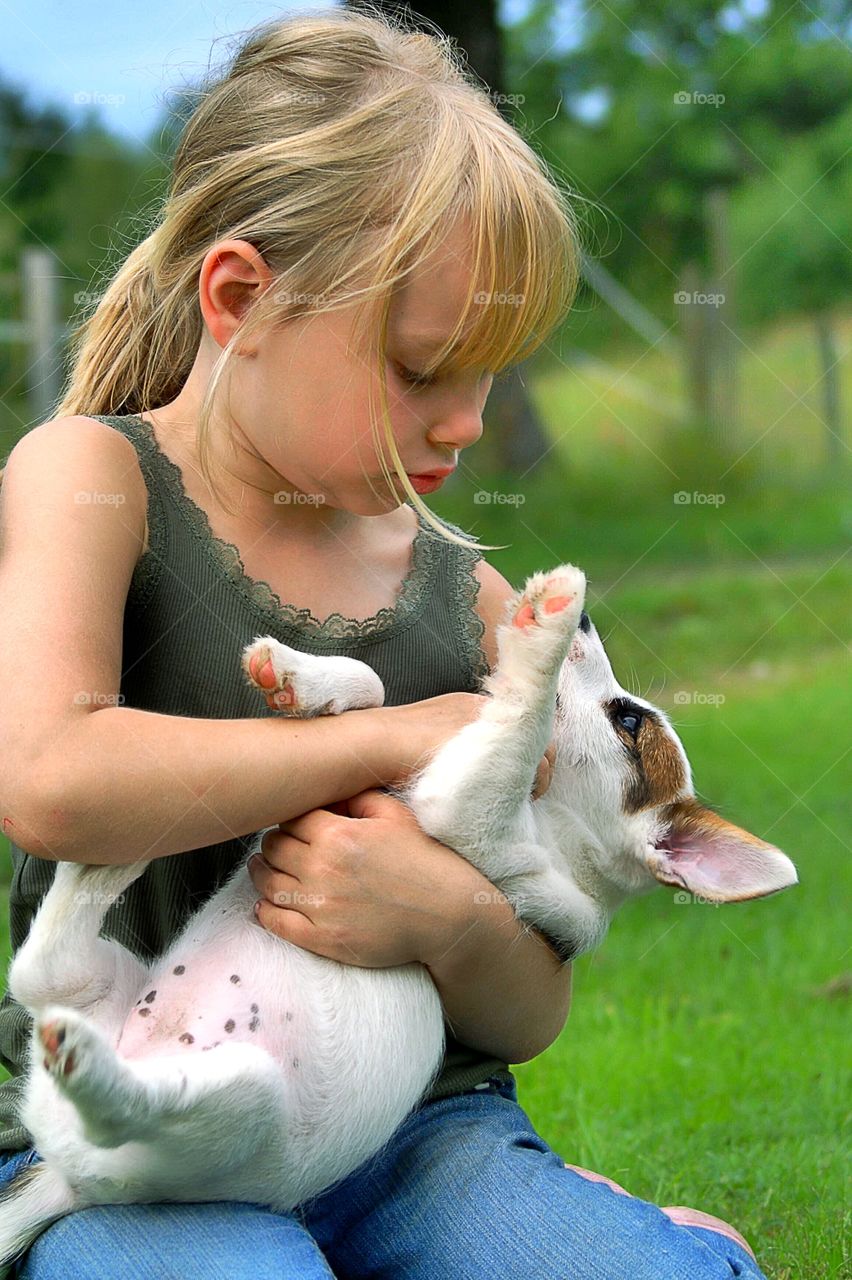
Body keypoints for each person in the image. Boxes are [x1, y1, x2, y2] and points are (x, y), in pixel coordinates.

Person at [0, 7, 765, 1277]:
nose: (465, 424)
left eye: (493, 373)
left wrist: (452, 922)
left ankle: (613, 1234)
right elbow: (48, 778)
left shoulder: (470, 595)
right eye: (422, 370)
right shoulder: (93, 476)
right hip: (137, 1138)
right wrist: (395, 731)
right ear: (244, 299)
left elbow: (531, 1007)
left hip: (415, 1131)